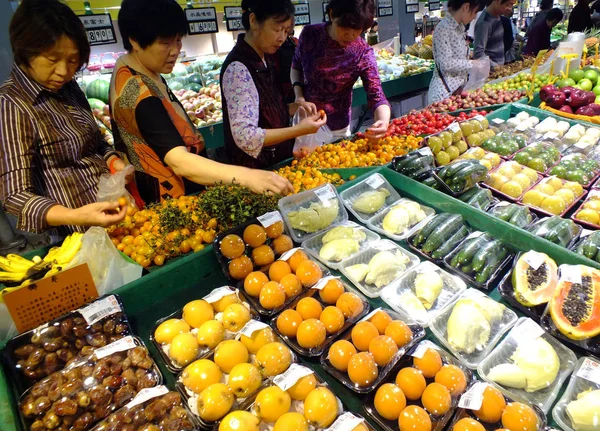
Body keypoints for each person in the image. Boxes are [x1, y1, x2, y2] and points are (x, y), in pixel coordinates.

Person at [110, 0, 295, 205]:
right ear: (135, 41)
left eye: (178, 41)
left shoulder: (137, 71)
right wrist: (248, 176)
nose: (175, 51)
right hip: (170, 201)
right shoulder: (139, 93)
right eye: (165, 43)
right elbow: (180, 162)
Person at [0, 0, 128, 240]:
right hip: (71, 234)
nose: (63, 71)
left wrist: (112, 161)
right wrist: (75, 215)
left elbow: (95, 140)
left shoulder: (69, 87)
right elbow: (15, 195)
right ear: (25, 50)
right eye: (52, 59)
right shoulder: (11, 104)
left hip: (111, 219)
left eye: (72, 61)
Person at [220, 0, 327, 169]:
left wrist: (295, 107)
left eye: (286, 31)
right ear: (254, 21)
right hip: (255, 171)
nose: (282, 38)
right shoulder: (238, 69)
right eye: (277, 30)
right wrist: (299, 130)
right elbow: (245, 136)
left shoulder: (266, 59)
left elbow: (264, 111)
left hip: (274, 163)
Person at [291, 0, 391, 140]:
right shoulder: (310, 35)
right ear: (332, 15)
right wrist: (299, 96)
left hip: (339, 129)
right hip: (306, 125)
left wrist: (383, 122)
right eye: (345, 27)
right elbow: (296, 66)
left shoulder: (362, 52)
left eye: (357, 30)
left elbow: (377, 96)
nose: (350, 36)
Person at [429, 0, 489, 103]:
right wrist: (472, 64)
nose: (474, 17)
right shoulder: (443, 29)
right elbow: (445, 64)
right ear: (466, 7)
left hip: (456, 92)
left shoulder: (459, 28)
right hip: (443, 94)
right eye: (475, 12)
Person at [474, 0, 518, 67]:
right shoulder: (484, 23)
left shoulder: (498, 17)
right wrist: (496, 67)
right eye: (507, 5)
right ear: (497, 1)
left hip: (499, 69)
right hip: (489, 73)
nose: (509, 9)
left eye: (512, 5)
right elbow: (478, 53)